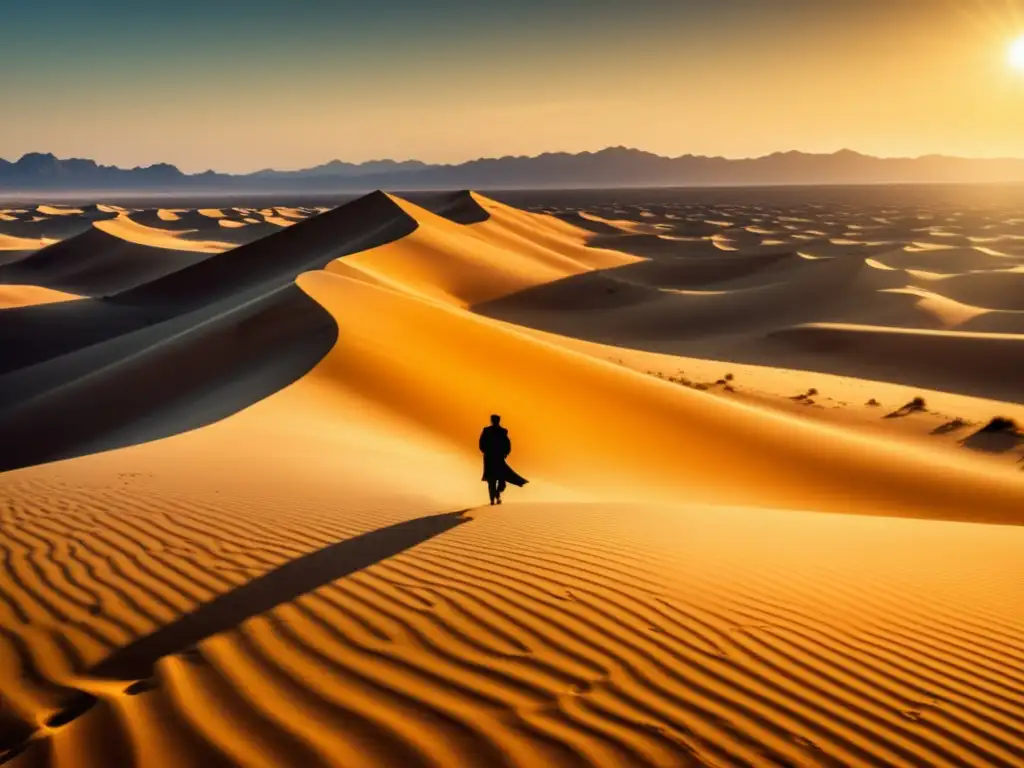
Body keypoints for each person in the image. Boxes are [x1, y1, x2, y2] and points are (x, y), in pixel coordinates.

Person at [479, 414, 528, 505]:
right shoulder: (487, 430)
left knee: (501, 480)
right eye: (493, 420)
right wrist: (485, 451)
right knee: (492, 480)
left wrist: (506, 453)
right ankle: (492, 499)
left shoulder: (503, 431)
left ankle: (497, 494)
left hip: (498, 458)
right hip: (489, 458)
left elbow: (507, 443)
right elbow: (482, 443)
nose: (494, 421)